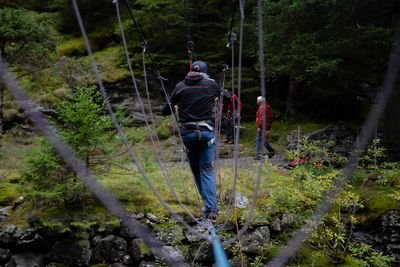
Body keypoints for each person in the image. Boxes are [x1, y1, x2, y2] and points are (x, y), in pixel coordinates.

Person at [163, 60, 221, 222]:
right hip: (206, 133)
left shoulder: (181, 86)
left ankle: (209, 206)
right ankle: (211, 210)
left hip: (187, 134)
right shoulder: (210, 84)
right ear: (204, 73)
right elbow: (228, 98)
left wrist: (176, 103)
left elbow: (165, 110)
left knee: (197, 170)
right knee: (206, 170)